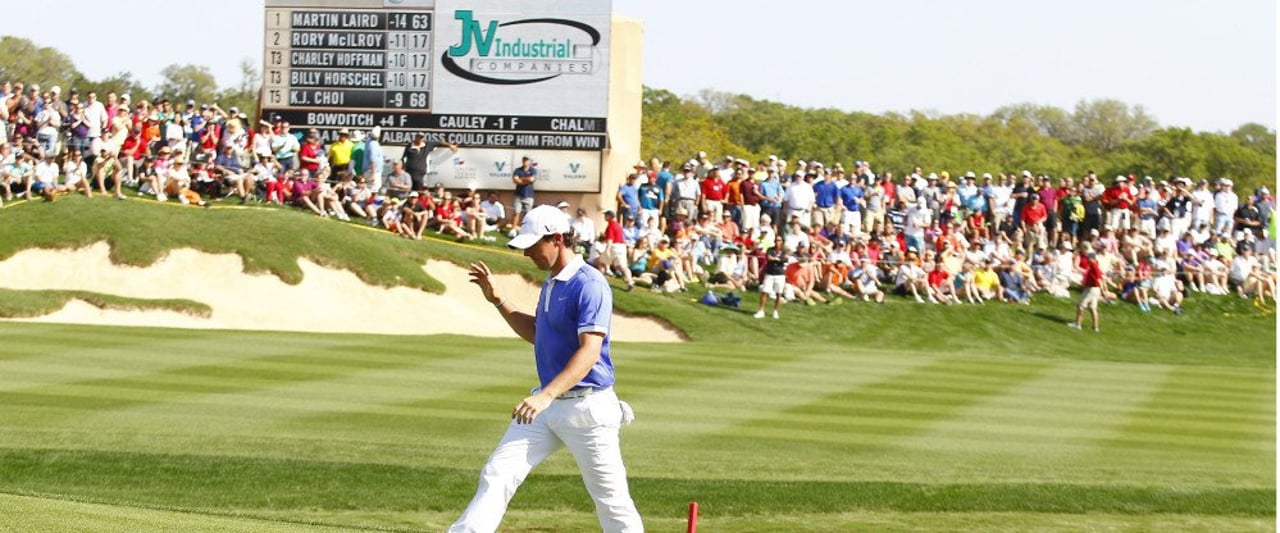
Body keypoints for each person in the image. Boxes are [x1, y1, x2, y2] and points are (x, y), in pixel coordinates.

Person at [455, 205, 643, 533]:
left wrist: (545, 395)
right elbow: (538, 333)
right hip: (548, 406)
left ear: (557, 239)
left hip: (587, 410)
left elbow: (589, 351)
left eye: (533, 245)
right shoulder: (553, 281)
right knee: (497, 474)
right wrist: (499, 300)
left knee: (611, 501)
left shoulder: (590, 284)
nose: (526, 253)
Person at [1069, 251, 1104, 332]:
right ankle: (1095, 327)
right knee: (1092, 308)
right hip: (1093, 289)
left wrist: (1103, 291)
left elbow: (1099, 278)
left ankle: (1078, 324)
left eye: (1089, 258)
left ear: (1092, 258)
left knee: (1081, 306)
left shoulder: (1094, 266)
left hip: (1091, 289)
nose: (1087, 259)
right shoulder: (1092, 266)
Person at [512, 156, 538, 229]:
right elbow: (515, 180)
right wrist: (526, 180)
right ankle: (513, 229)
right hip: (519, 195)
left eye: (526, 160)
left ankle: (527, 229)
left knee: (528, 214)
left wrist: (521, 179)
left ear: (529, 161)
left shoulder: (533, 170)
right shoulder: (518, 170)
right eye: (524, 160)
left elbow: (532, 179)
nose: (525, 162)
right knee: (516, 212)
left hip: (529, 195)